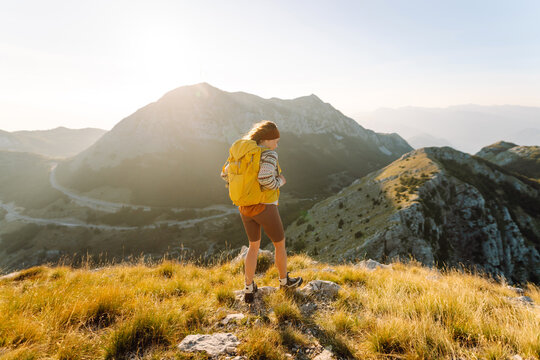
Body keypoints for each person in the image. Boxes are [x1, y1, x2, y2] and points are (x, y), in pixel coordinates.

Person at [221, 120, 303, 303]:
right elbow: (266, 178)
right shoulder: (268, 154)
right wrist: (280, 181)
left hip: (244, 207)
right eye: (276, 140)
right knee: (279, 245)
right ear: (266, 139)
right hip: (265, 206)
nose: (277, 144)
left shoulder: (242, 152)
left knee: (253, 246)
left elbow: (225, 173)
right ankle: (285, 282)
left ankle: (249, 288)